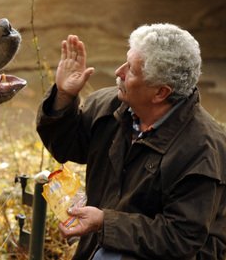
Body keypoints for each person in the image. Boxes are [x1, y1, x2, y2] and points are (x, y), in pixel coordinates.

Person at [36, 23, 226, 259]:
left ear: (160, 93)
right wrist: (64, 96)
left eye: (132, 70)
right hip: (108, 243)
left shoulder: (203, 151)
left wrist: (105, 223)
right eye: (126, 60)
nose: (119, 72)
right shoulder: (111, 106)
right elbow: (66, 146)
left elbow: (181, 238)